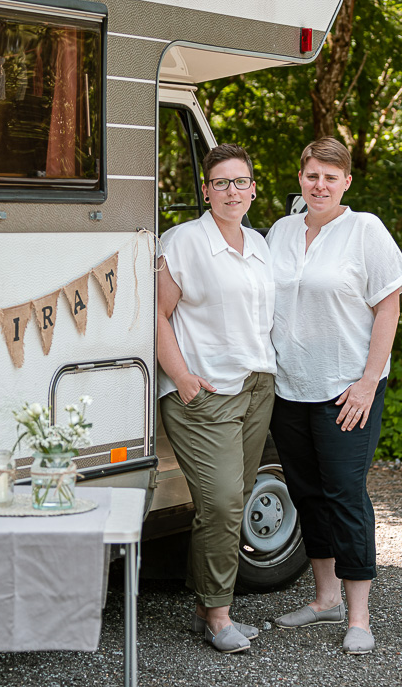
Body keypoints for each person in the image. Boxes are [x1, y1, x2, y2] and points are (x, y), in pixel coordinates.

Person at [265, 137, 402, 655]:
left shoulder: (365, 229)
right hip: (289, 388)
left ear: (346, 181)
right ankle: (324, 596)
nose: (320, 185)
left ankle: (358, 615)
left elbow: (388, 308)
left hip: (347, 389)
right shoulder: (281, 231)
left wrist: (369, 381)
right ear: (300, 178)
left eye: (331, 176)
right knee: (306, 494)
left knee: (345, 495)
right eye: (312, 176)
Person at [156, 143, 276, 654]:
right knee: (224, 502)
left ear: (253, 188)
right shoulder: (182, 242)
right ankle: (219, 616)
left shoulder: (259, 244)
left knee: (226, 502)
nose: (233, 191)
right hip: (204, 391)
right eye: (221, 182)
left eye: (241, 181)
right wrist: (180, 376)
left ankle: (206, 605)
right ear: (205, 190)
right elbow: (157, 315)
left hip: (256, 387)